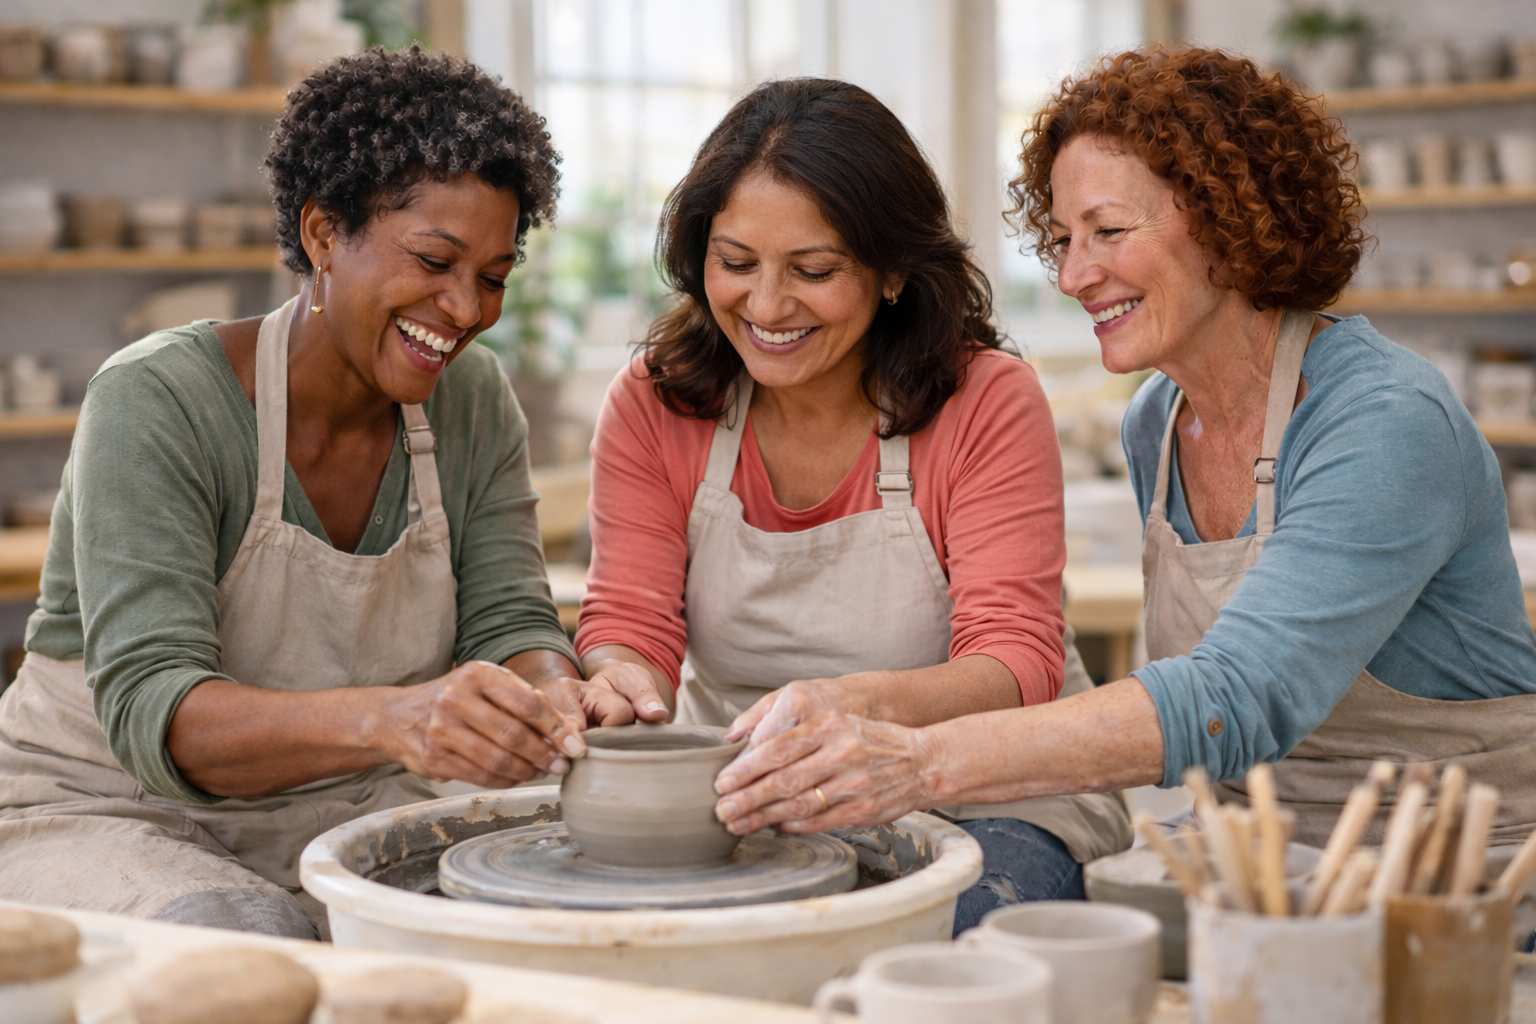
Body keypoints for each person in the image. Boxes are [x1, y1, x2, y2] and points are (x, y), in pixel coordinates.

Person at [712, 48, 1536, 853]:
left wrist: (918, 761)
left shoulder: (1385, 418)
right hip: (1253, 860)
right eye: (1064, 239)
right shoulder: (1158, 422)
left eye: (1107, 230)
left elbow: (1240, 695)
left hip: (1462, 866)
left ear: (1230, 219)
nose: (1074, 276)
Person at [0, 47, 611, 939]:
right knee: (255, 948)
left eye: (492, 277)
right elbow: (157, 712)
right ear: (323, 233)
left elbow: (508, 620)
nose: (465, 310)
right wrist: (394, 719)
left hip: (344, 805)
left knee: (531, 924)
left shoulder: (473, 400)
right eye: (434, 261)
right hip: (111, 810)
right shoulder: (157, 401)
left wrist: (551, 692)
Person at [573, 78, 1131, 931]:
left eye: (814, 271)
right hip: (747, 801)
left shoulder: (983, 400)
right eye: (735, 263)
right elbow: (633, 622)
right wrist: (620, 683)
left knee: (946, 955)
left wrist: (856, 708)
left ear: (894, 269)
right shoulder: (657, 402)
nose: (766, 306)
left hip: (986, 790)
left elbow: (1017, 662)